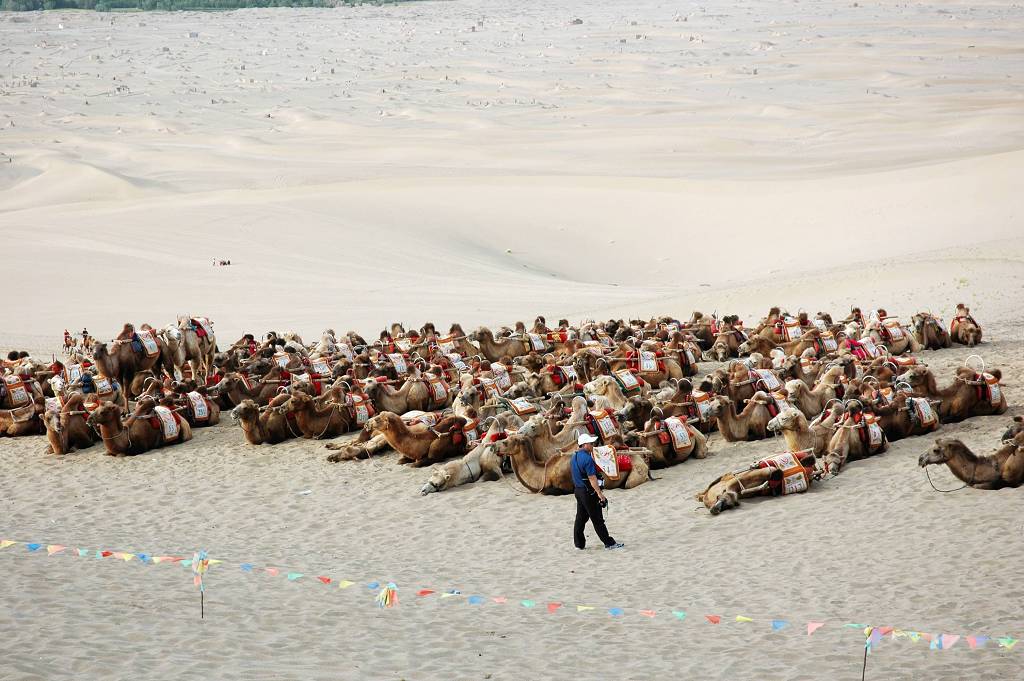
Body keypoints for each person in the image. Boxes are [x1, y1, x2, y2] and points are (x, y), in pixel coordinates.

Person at [571, 433, 624, 550]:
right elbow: (592, 479)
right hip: (588, 492)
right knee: (597, 519)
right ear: (584, 445)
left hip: (578, 491)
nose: (593, 445)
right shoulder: (587, 458)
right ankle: (609, 543)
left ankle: (579, 544)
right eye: (590, 443)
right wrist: (600, 495)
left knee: (580, 518)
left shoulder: (573, 457)